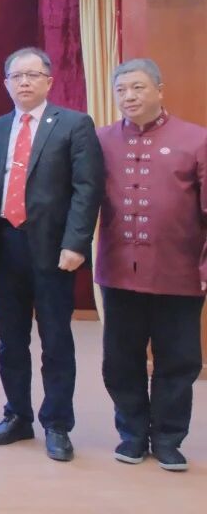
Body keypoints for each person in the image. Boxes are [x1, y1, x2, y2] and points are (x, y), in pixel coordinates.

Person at [0, 47, 103, 462]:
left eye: (32, 75)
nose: (24, 82)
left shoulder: (74, 124)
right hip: (4, 246)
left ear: (49, 81)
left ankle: (57, 423)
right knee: (10, 341)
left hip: (53, 250)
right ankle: (17, 415)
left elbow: (87, 189)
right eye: (16, 76)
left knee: (56, 339)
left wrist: (76, 243)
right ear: (6, 83)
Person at [95, 58, 207, 471]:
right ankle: (131, 434)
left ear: (160, 90)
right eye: (121, 89)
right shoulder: (100, 140)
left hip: (179, 273)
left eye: (138, 87)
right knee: (120, 360)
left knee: (178, 360)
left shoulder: (197, 139)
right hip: (119, 271)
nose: (129, 96)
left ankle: (168, 438)